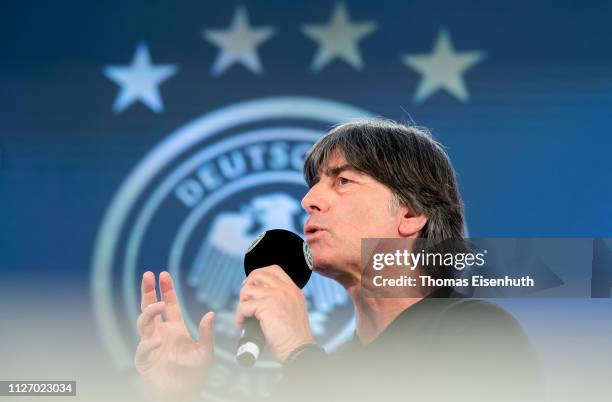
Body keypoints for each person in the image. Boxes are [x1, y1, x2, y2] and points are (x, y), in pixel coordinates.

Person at [135, 120, 543, 402]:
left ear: (410, 214)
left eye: (342, 181)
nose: (309, 200)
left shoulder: (479, 334)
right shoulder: (326, 369)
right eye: (314, 185)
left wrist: (297, 349)